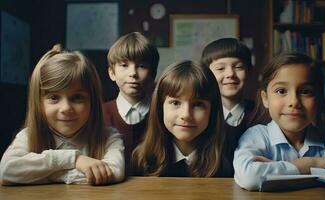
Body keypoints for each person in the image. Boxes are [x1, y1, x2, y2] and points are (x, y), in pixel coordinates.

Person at [0, 44, 125, 185]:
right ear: (39, 103)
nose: (65, 108)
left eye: (77, 97)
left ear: (92, 101)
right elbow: (6, 171)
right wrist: (74, 159)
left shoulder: (108, 136)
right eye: (54, 98)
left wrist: (44, 174)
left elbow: (114, 171)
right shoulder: (28, 136)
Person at [233, 52, 325, 191]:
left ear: (318, 98)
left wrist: (285, 170)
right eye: (281, 91)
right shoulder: (257, 136)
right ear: (265, 98)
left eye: (305, 91)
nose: (294, 102)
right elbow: (249, 177)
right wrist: (313, 163)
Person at [131, 60, 232, 177]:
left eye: (198, 104)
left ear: (212, 110)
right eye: (175, 103)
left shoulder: (227, 162)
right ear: (160, 107)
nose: (186, 115)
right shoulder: (141, 159)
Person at [103, 32, 159, 172]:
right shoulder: (99, 113)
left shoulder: (162, 112)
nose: (133, 73)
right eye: (124, 65)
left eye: (141, 66)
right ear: (112, 73)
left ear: (153, 74)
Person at [201, 38, 254, 162]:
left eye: (238, 67)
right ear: (206, 75)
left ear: (249, 72)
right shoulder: (202, 115)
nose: (230, 74)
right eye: (220, 68)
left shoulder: (262, 114)